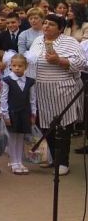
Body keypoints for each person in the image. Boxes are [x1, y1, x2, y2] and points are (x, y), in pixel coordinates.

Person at [29, 14, 86, 175]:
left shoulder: (70, 42)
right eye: (45, 23)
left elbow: (82, 62)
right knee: (45, 126)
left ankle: (63, 162)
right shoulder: (38, 41)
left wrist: (60, 60)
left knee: (62, 127)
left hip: (62, 90)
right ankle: (53, 157)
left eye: (51, 24)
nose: (46, 26)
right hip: (41, 90)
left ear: (60, 28)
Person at [0, 54, 36, 175]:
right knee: (12, 138)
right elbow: (3, 99)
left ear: (26, 66)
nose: (17, 68)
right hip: (13, 113)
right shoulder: (7, 80)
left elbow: (32, 99)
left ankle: (19, 161)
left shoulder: (30, 81)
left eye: (20, 66)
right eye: (14, 66)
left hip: (25, 113)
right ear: (10, 66)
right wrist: (5, 115)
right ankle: (13, 162)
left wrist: (33, 113)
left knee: (21, 137)